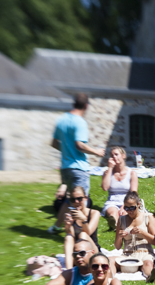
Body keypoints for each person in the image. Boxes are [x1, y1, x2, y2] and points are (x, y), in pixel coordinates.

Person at [51, 93, 106, 226]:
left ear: (74, 103)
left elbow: (54, 143)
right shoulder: (80, 122)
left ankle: (57, 227)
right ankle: (81, 232)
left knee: (69, 201)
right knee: (82, 201)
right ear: (86, 106)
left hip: (65, 168)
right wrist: (96, 152)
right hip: (79, 168)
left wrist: (67, 150)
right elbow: (79, 145)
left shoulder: (62, 120)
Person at [113, 191, 155, 282]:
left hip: (145, 253)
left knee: (148, 264)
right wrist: (119, 237)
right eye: (126, 208)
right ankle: (109, 278)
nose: (129, 211)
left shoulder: (148, 217)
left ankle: (150, 276)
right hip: (127, 254)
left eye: (132, 207)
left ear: (138, 205)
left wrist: (142, 232)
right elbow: (117, 246)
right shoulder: (121, 220)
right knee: (110, 261)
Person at [62, 186, 102, 267]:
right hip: (77, 254)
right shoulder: (71, 215)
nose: (76, 202)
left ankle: (86, 267)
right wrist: (67, 226)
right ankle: (69, 271)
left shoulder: (94, 213)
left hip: (92, 251)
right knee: (68, 237)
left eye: (79, 199)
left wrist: (83, 219)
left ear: (85, 198)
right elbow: (71, 235)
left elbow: (88, 233)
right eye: (73, 199)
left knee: (83, 234)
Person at [100, 147, 138, 229]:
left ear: (123, 156)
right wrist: (110, 168)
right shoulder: (107, 173)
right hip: (112, 202)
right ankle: (115, 224)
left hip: (128, 201)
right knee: (113, 213)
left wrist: (124, 205)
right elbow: (105, 188)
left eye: (116, 154)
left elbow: (134, 193)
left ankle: (120, 226)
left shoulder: (131, 173)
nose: (114, 157)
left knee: (125, 213)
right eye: (112, 155)